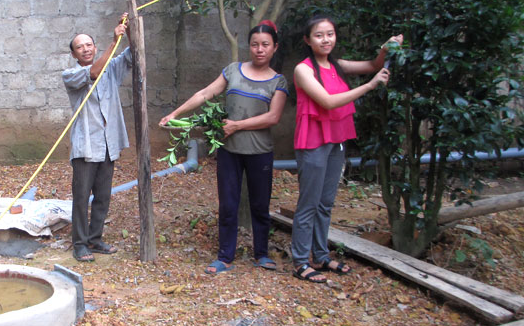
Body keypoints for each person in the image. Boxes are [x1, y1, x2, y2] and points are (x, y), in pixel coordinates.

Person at [160, 21, 288, 275]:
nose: (259, 50)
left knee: (260, 205)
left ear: (275, 48)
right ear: (249, 46)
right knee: (228, 205)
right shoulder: (233, 70)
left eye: (265, 45)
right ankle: (225, 256)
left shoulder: (279, 81)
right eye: (254, 45)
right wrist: (174, 113)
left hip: (260, 152)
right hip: (229, 151)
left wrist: (237, 125)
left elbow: (273, 118)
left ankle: (261, 254)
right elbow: (205, 93)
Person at [291, 15, 403, 283]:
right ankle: (299, 261)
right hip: (314, 141)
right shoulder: (303, 70)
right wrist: (369, 85)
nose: (326, 39)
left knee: (326, 202)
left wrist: (387, 48)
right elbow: (328, 102)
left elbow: (373, 65)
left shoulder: (337, 65)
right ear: (308, 40)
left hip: (336, 139)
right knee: (309, 203)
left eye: (330, 34)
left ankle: (320, 255)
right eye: (319, 35)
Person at [62, 13, 131, 262]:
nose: (85, 49)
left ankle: (95, 238)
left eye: (89, 45)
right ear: (74, 54)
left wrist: (129, 31)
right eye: (79, 47)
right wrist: (114, 42)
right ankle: (80, 244)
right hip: (86, 145)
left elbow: (132, 57)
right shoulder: (70, 75)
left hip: (108, 143)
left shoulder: (112, 67)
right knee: (81, 196)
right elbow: (93, 73)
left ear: (95, 46)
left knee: (103, 195)